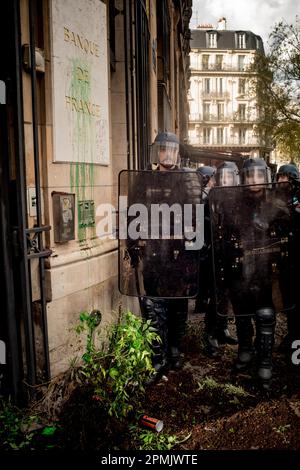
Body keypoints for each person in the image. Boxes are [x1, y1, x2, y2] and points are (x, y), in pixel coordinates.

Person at [129, 132, 202, 379]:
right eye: (163, 149)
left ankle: (174, 351)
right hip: (153, 252)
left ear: (177, 153)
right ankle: (157, 357)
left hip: (179, 254)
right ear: (157, 152)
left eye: (172, 149)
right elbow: (132, 212)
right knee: (153, 305)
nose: (167, 154)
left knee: (178, 305)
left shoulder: (188, 179)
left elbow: (196, 216)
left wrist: (194, 248)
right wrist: (132, 244)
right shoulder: (143, 178)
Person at [225, 157, 277, 389]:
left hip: (267, 270)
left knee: (266, 315)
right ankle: (245, 349)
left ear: (265, 177)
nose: (254, 179)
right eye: (250, 175)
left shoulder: (277, 204)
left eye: (258, 174)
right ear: (244, 178)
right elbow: (224, 236)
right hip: (240, 269)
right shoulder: (234, 204)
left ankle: (265, 360)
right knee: (242, 312)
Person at [199, 162, 238, 358]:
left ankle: (222, 329)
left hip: (231, 252)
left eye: (230, 176)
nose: (226, 180)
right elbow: (198, 215)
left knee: (228, 293)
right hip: (213, 252)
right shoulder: (210, 198)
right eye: (223, 176)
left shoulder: (239, 198)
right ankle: (211, 333)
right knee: (216, 294)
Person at [275, 163, 300, 354]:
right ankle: (293, 335)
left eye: (285, 177)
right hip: (284, 257)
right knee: (288, 299)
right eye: (279, 177)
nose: (281, 180)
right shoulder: (274, 199)